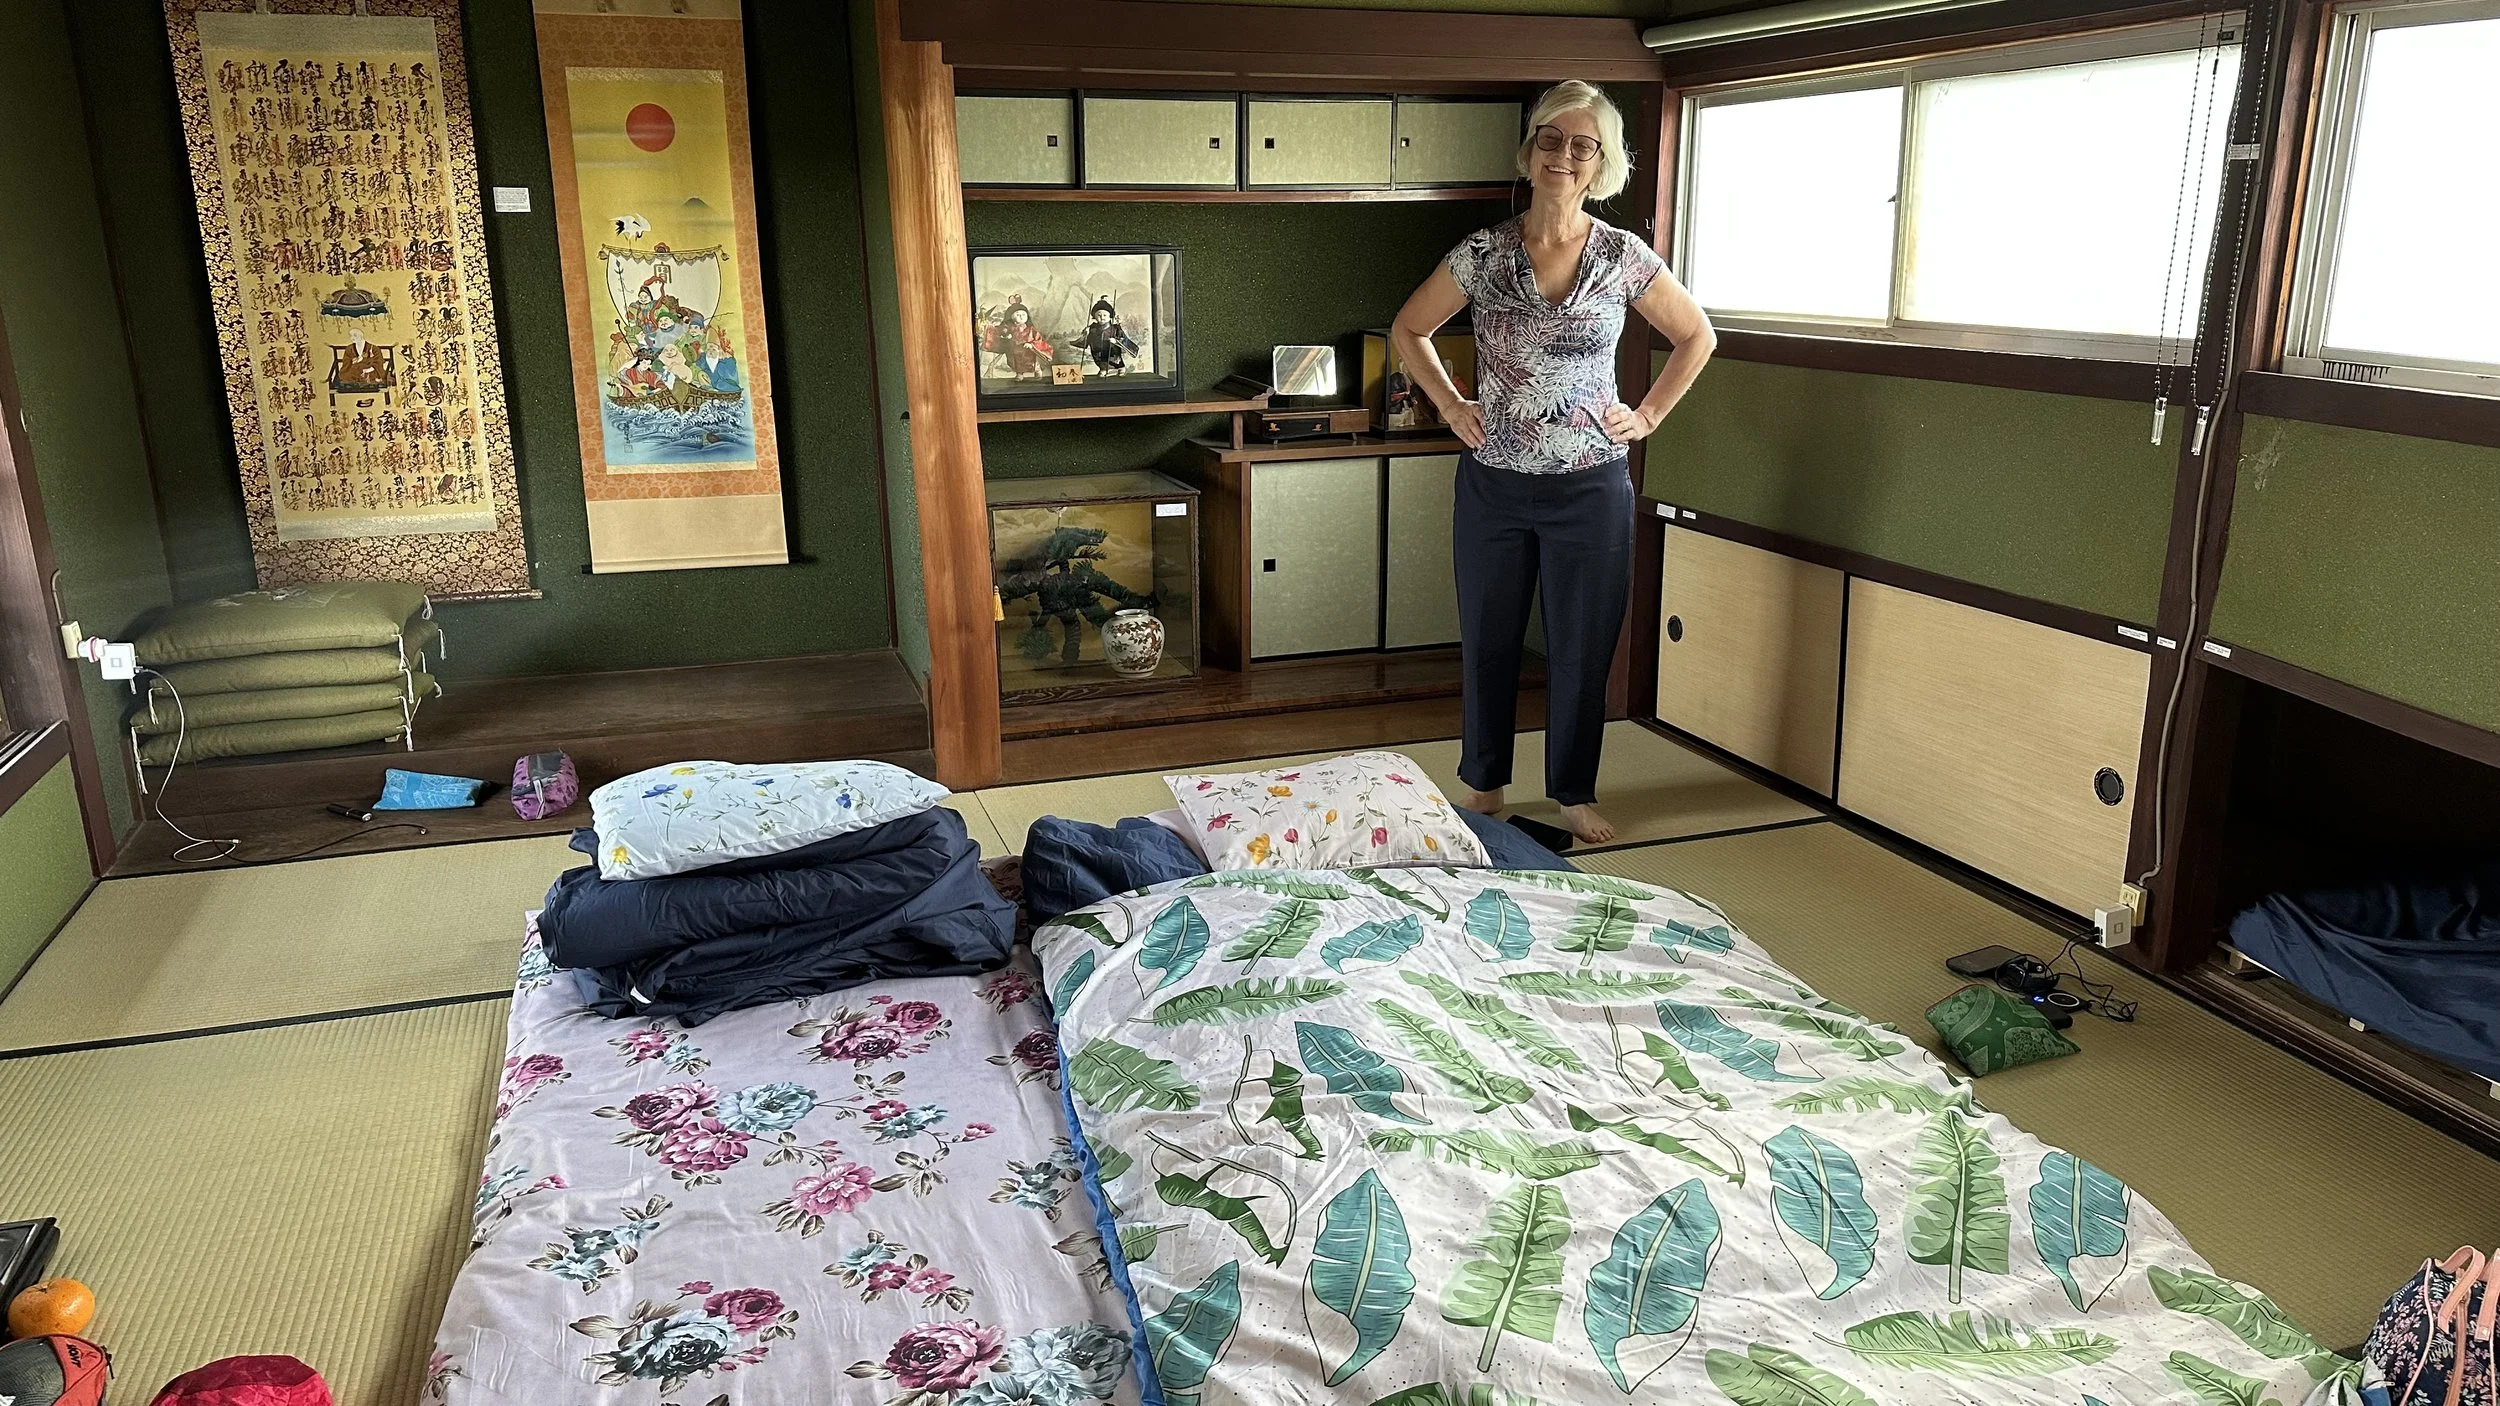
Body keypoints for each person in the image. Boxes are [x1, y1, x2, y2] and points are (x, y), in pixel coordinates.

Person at [1390, 80, 1715, 845]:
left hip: (1591, 487)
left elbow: (1696, 335)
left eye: (1582, 144)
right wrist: (1453, 406)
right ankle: (1484, 785)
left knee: (1581, 645)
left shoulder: (1622, 256)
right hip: (1494, 483)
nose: (1563, 155)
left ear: (1602, 163)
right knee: (1490, 638)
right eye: (1551, 138)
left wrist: (1647, 416)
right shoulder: (1483, 253)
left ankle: (1573, 793)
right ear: (1530, 149)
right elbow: (1409, 328)